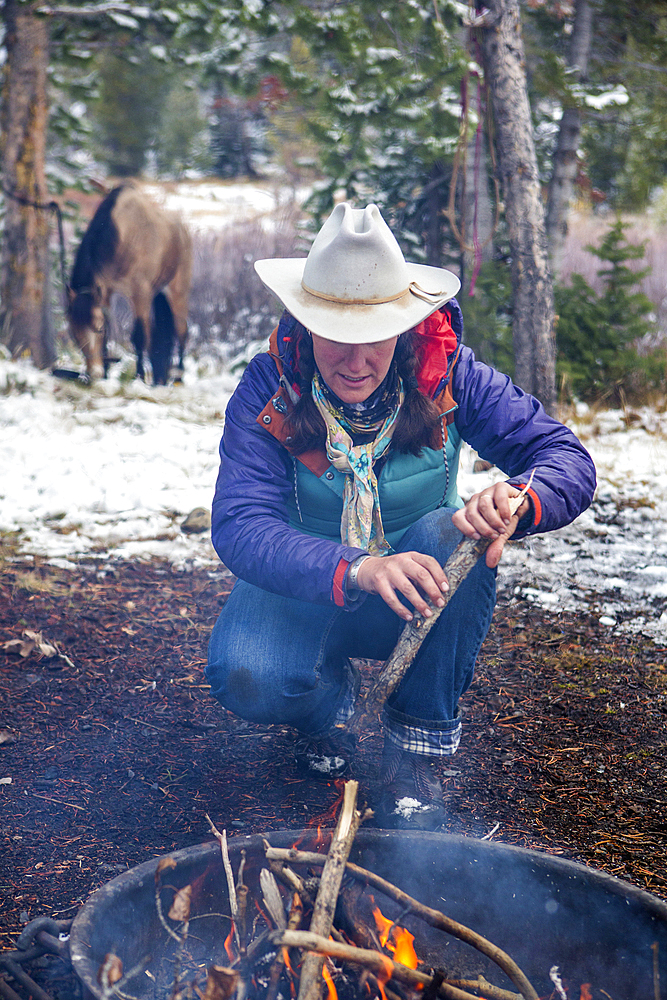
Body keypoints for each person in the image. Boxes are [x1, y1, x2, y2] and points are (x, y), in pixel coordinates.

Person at [206, 202, 596, 830]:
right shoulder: (267, 388)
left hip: (419, 599)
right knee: (247, 671)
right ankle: (326, 709)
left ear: (405, 327)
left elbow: (564, 456)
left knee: (454, 530)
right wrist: (357, 567)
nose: (355, 360)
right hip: (309, 590)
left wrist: (519, 498)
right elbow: (240, 526)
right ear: (306, 326)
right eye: (336, 335)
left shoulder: (448, 373)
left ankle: (416, 754)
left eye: (375, 337)